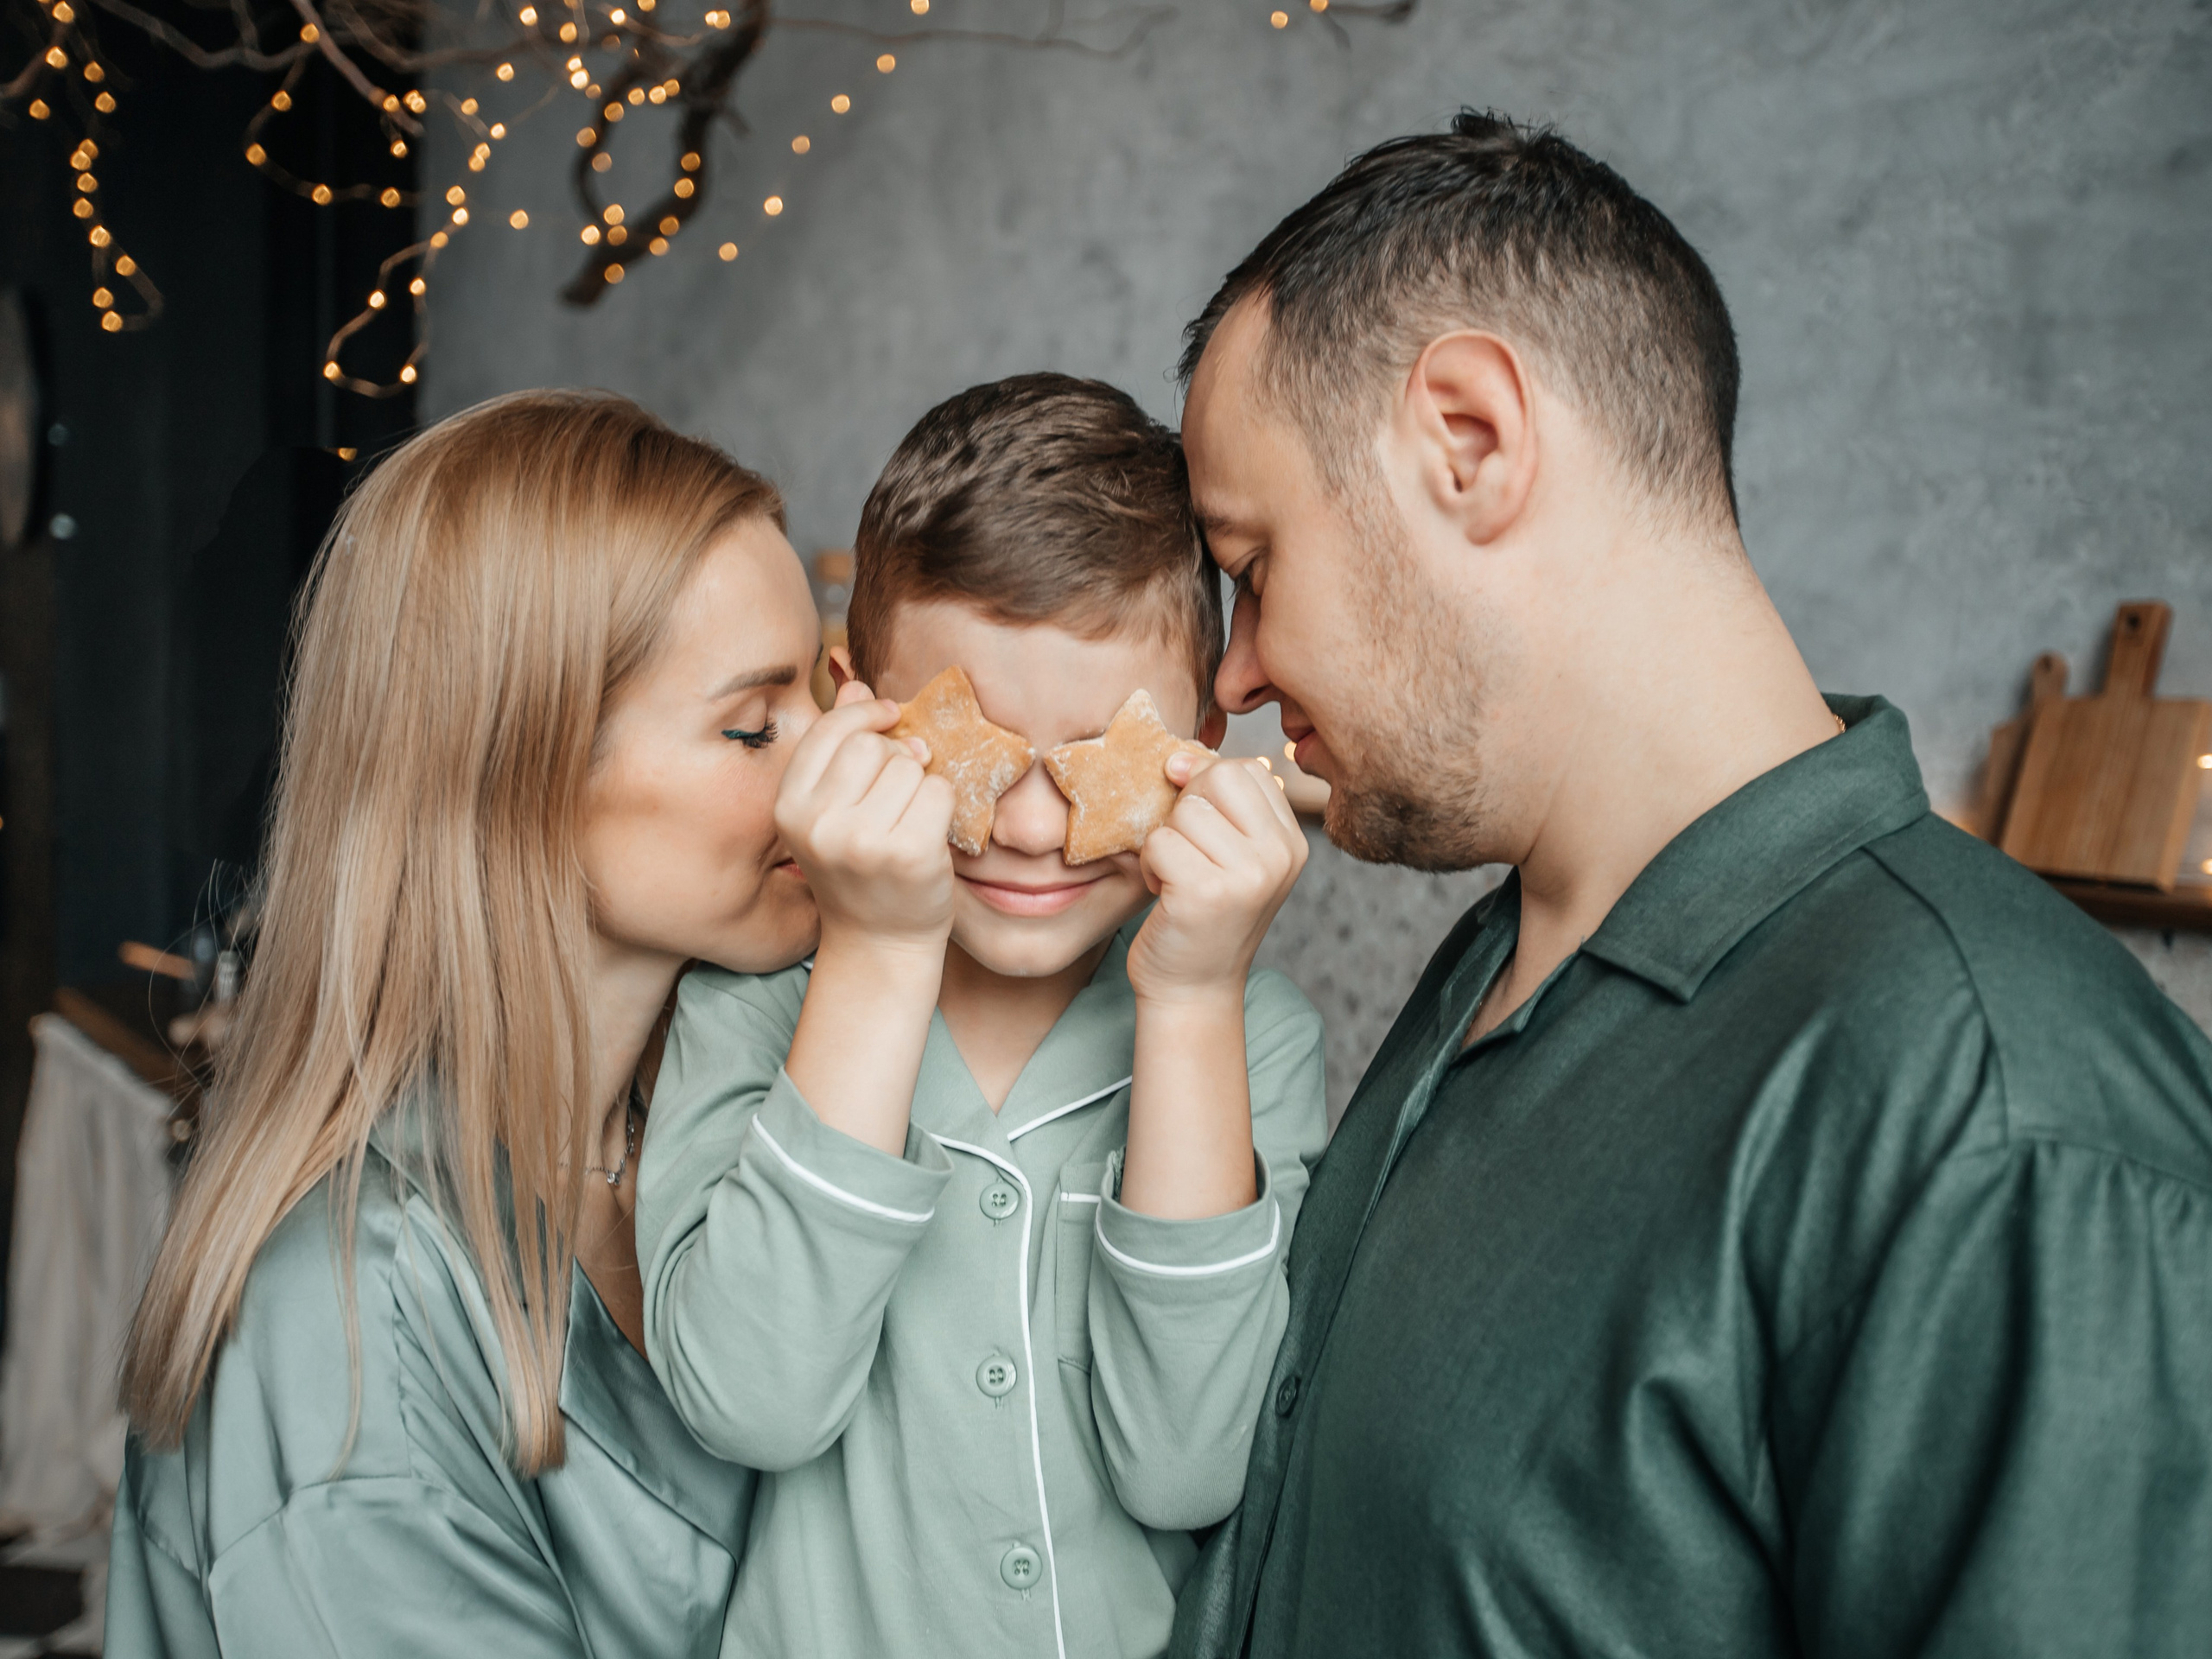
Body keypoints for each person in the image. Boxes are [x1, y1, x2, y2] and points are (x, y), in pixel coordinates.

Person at [1170, 111, 2212, 1657]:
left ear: (1469, 439)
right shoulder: (1489, 963)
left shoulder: (2002, 1111)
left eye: (1250, 567)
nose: (1238, 674)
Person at [106, 390, 830, 1656]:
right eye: (755, 725)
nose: (833, 766)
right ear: (519, 777)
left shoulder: (749, 1135)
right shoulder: (345, 1320)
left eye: (830, 689)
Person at [634, 375, 1330, 1659]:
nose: (1025, 826)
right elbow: (754, 1401)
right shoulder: (748, 1006)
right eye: (978, 751)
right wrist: (882, 946)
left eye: (1089, 760)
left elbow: (1191, 1468)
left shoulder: (1252, 1034)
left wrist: (1187, 1002)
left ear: (1203, 736)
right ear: (857, 704)